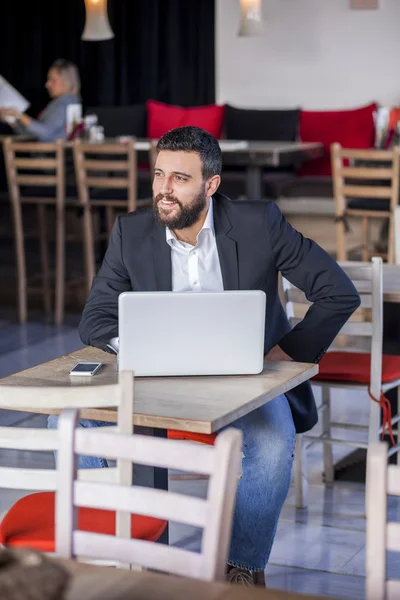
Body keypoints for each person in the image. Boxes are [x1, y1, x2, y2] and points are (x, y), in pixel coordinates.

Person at [65, 126, 361, 586]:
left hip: (243, 380)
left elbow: (337, 293)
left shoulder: (258, 221)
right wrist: (140, 347)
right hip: (158, 382)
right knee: (78, 423)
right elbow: (97, 318)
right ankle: (146, 563)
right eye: (159, 174)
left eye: (179, 179)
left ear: (211, 184)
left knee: (271, 438)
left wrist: (283, 355)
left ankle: (241, 571)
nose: (163, 189)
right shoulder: (131, 231)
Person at [0, 59, 80, 142]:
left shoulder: (67, 102)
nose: (47, 84)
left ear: (67, 81)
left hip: (53, 154)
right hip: (43, 153)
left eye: (53, 80)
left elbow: (45, 133)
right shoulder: (58, 102)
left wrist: (19, 115)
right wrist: (13, 121)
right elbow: (33, 134)